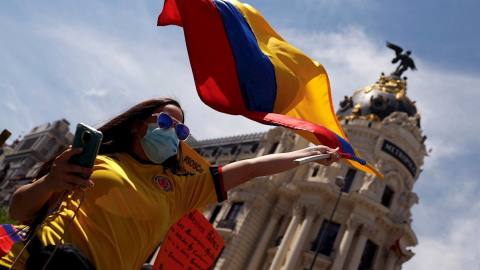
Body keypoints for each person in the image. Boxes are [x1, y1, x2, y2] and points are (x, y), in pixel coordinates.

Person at [0, 97, 340, 270]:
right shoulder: (96, 159)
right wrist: (49, 183)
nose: (172, 132)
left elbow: (250, 168)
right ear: (136, 124)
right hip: (37, 261)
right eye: (164, 121)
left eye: (180, 131)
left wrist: (311, 155)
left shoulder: (179, 189)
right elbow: (18, 209)